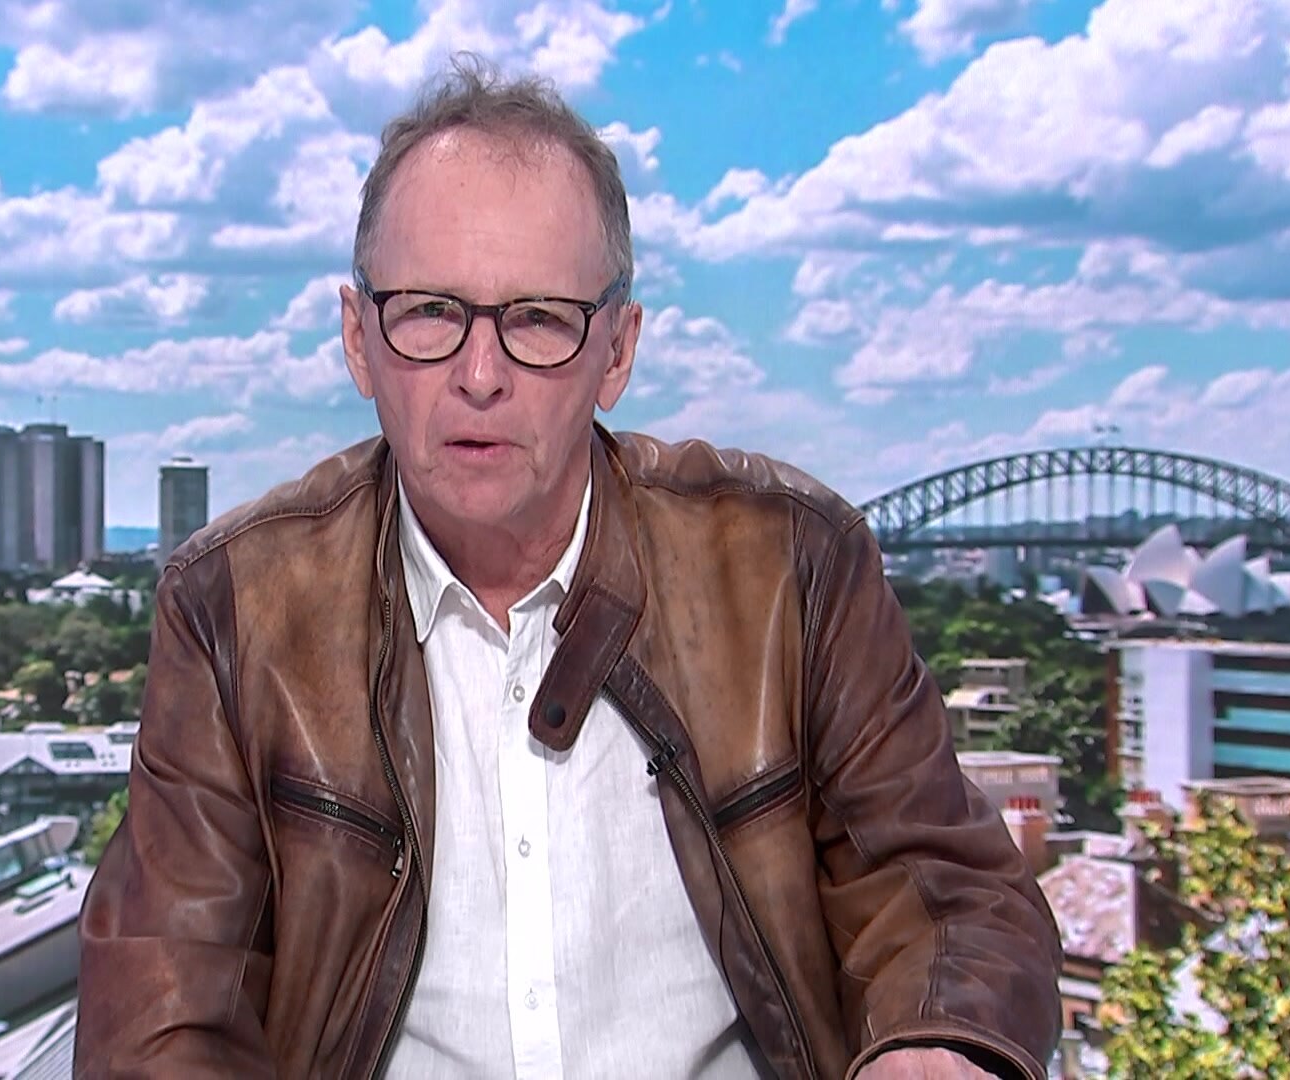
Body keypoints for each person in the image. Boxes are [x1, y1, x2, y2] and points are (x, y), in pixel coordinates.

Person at [77, 55, 1062, 1080]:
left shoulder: (792, 565)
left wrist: (939, 1046)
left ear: (618, 351)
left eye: (538, 319)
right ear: (358, 340)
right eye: (428, 312)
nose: (480, 374)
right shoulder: (234, 606)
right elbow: (166, 1005)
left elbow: (948, 891)